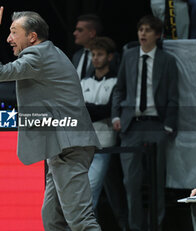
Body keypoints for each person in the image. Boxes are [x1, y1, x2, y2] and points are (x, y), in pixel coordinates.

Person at [0, 7, 101, 231]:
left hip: (69, 147)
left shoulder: (37, 55)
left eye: (14, 32)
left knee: (82, 222)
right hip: (61, 147)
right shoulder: (48, 52)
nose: (8, 39)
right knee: (53, 221)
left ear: (32, 37)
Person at [112, 15, 178, 231]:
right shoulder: (129, 56)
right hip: (132, 125)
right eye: (140, 29)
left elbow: (173, 96)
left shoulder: (167, 60)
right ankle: (135, 227)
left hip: (156, 125)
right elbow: (119, 88)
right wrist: (116, 116)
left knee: (156, 182)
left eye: (148, 30)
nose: (143, 33)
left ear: (157, 35)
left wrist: (168, 125)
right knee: (131, 183)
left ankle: (155, 226)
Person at [81, 36, 128, 230]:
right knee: (107, 191)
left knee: (94, 191)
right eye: (93, 54)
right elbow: (80, 110)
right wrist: (95, 110)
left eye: (100, 54)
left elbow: (109, 111)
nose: (96, 58)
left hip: (106, 144)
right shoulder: (84, 81)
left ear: (110, 57)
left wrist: (91, 109)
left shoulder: (117, 81)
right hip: (85, 144)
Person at [72, 14, 120, 79]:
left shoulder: (111, 56)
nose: (75, 33)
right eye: (93, 55)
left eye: (80, 30)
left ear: (92, 33)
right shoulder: (76, 56)